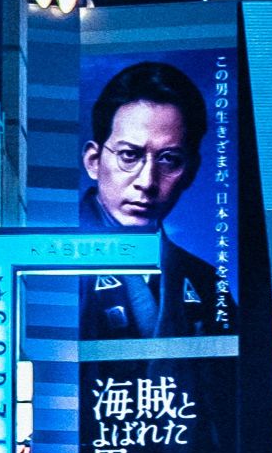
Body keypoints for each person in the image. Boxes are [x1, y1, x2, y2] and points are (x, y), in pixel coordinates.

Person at [78, 61, 234, 339]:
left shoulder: (207, 282)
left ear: (191, 171)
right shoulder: (54, 263)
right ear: (93, 161)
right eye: (129, 155)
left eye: (168, 160)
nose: (147, 181)